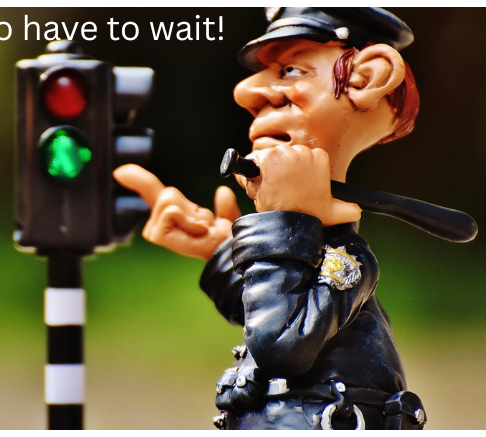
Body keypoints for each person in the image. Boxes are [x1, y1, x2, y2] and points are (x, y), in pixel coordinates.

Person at [114, 8, 426, 430]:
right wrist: (222, 252)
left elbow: (281, 343)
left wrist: (284, 221)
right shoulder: (319, 252)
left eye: (292, 70)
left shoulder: (348, 259)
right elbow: (268, 309)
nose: (247, 91)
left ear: (367, 77)